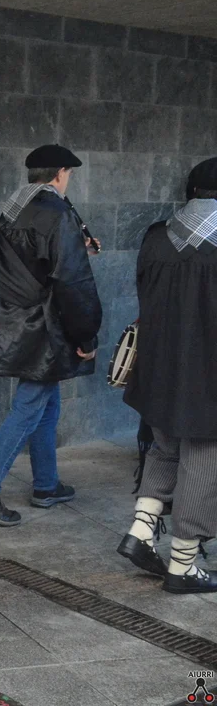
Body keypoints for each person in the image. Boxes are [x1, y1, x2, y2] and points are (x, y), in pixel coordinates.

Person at [0, 144, 102, 526]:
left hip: (18, 317)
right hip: (48, 324)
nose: (68, 179)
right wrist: (86, 337)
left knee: (47, 403)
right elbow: (72, 281)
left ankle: (45, 484)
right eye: (68, 173)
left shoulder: (14, 208)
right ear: (59, 174)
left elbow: (28, 262)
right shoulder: (58, 213)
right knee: (29, 405)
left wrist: (76, 248)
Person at [119, 156, 217, 594]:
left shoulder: (156, 236)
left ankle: (141, 531)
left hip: (158, 365)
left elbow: (144, 293)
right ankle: (183, 564)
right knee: (204, 460)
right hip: (208, 372)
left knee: (164, 446)